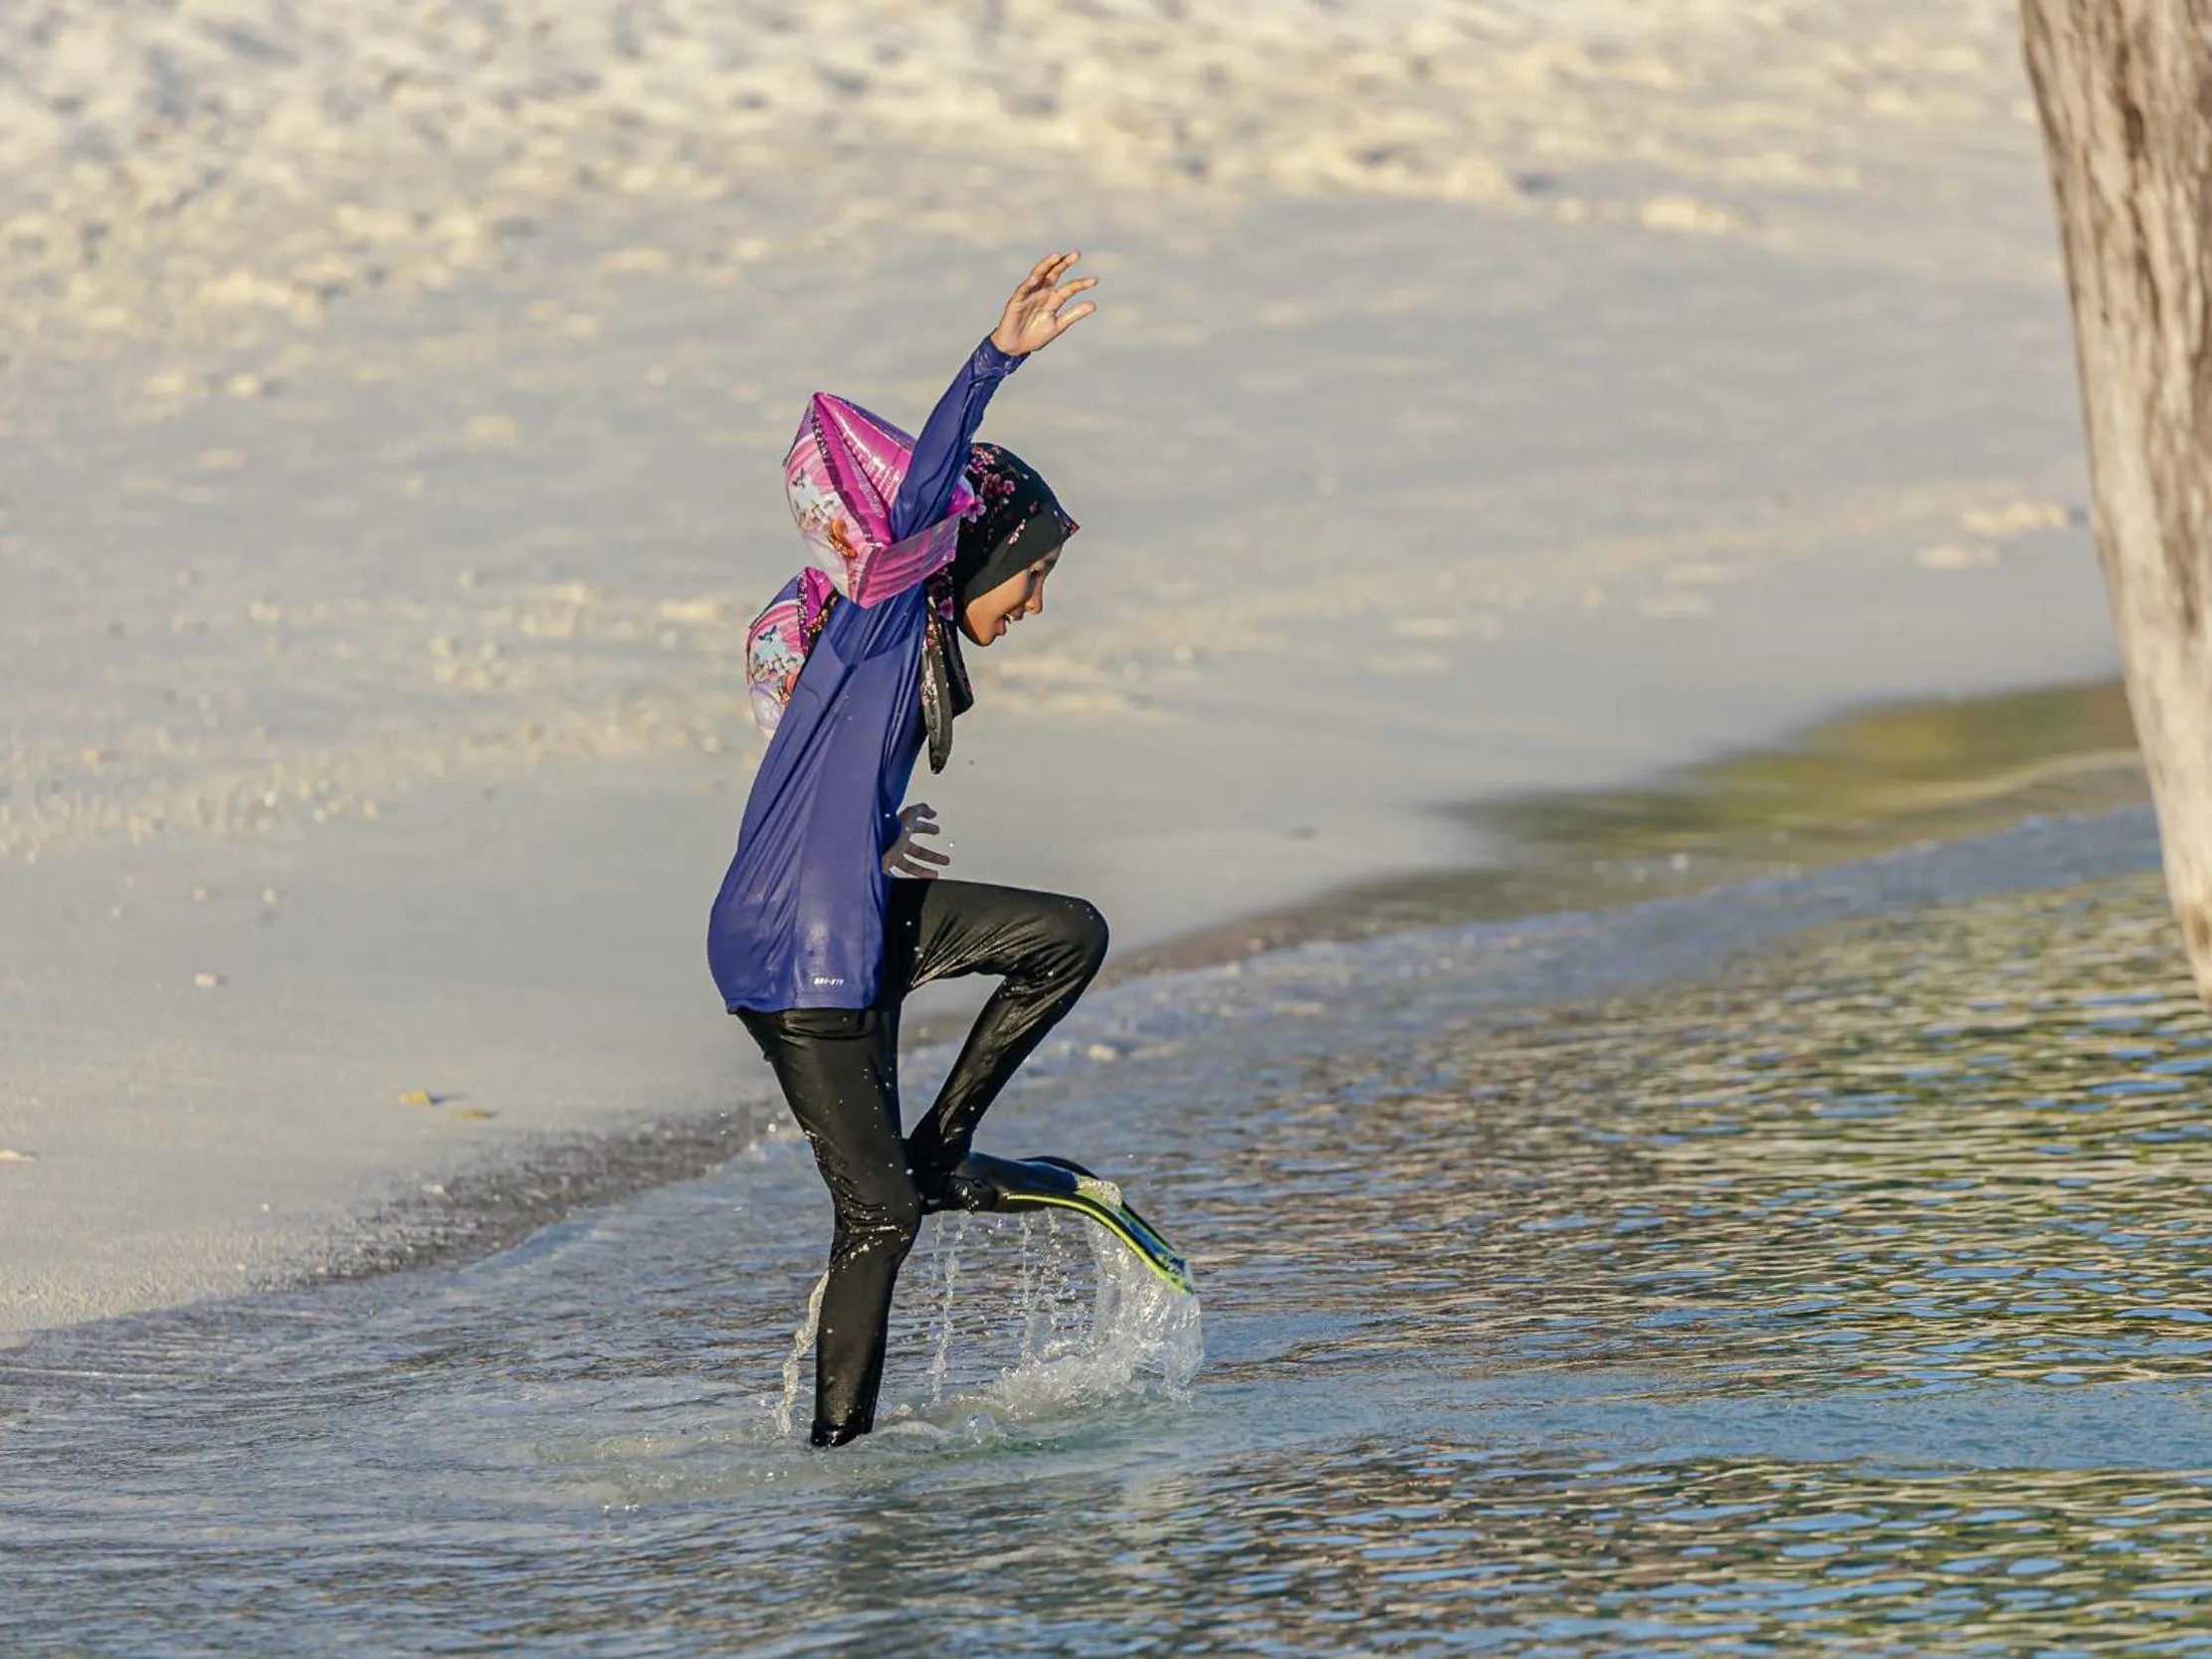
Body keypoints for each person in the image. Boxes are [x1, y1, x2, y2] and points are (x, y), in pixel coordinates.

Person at [708, 253, 1106, 1447]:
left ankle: (945, 1147)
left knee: (1063, 935)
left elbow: (811, 791)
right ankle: (840, 1465)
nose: (1035, 599)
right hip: (794, 959)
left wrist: (876, 838)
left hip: (851, 923)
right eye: (1032, 571)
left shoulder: (899, 660)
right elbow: (927, 486)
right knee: (877, 1216)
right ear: (975, 558)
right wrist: (995, 361)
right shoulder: (883, 615)